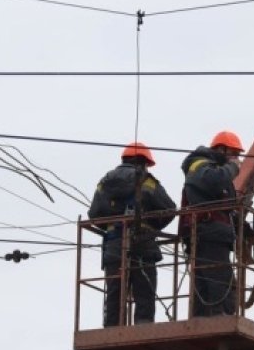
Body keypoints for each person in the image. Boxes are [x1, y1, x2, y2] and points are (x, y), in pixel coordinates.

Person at [88, 142, 176, 327]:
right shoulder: (146, 181)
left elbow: (94, 214)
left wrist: (112, 225)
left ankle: (111, 328)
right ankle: (143, 326)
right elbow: (169, 209)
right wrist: (152, 225)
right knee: (144, 290)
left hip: (113, 244)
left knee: (115, 290)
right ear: (142, 162)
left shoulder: (104, 182)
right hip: (142, 242)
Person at [179, 130, 243, 317]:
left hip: (213, 233)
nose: (236, 158)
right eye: (234, 153)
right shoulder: (200, 165)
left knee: (208, 279)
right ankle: (221, 316)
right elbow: (212, 182)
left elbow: (224, 203)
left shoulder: (213, 169)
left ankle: (204, 317)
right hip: (209, 232)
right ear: (221, 149)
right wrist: (233, 168)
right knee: (221, 280)